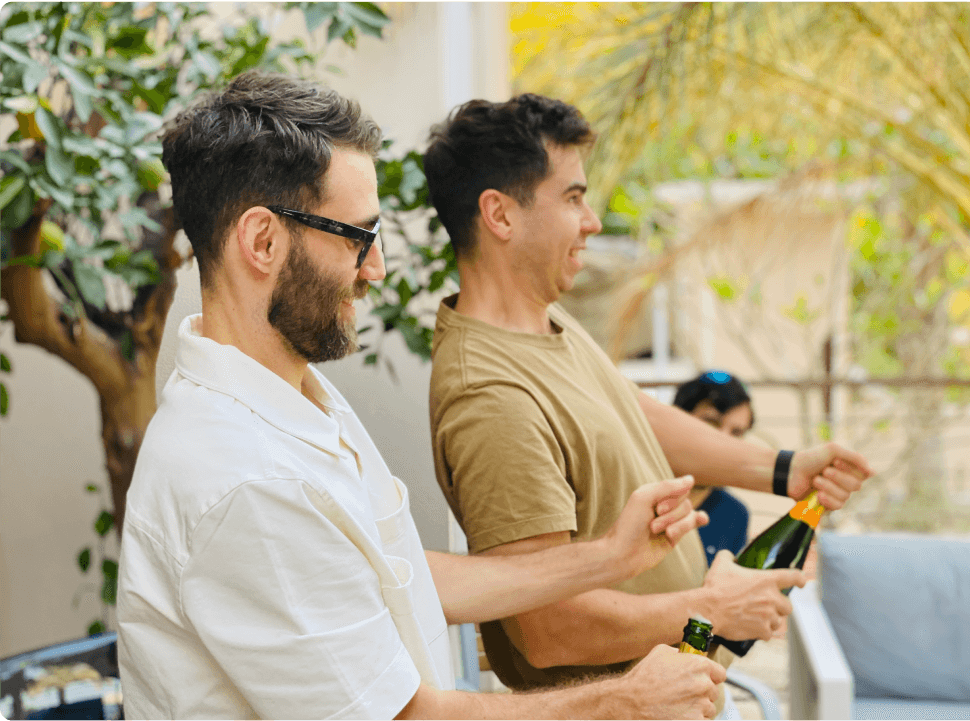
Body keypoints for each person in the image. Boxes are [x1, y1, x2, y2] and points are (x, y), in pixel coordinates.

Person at [115, 72, 727, 721]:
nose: (375, 268)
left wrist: (606, 558)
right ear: (262, 241)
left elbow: (396, 572)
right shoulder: (247, 481)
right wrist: (624, 699)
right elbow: (403, 716)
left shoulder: (291, 396)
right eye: (357, 237)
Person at [423, 94, 875, 697]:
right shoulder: (491, 396)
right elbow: (550, 630)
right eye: (573, 198)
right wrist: (710, 609)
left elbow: (629, 411)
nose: (592, 222)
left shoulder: (543, 320)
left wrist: (782, 470)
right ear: (500, 215)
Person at [673, 370, 755, 564]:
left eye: (736, 432)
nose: (723, 442)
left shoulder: (734, 515)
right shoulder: (631, 492)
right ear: (674, 419)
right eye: (711, 423)